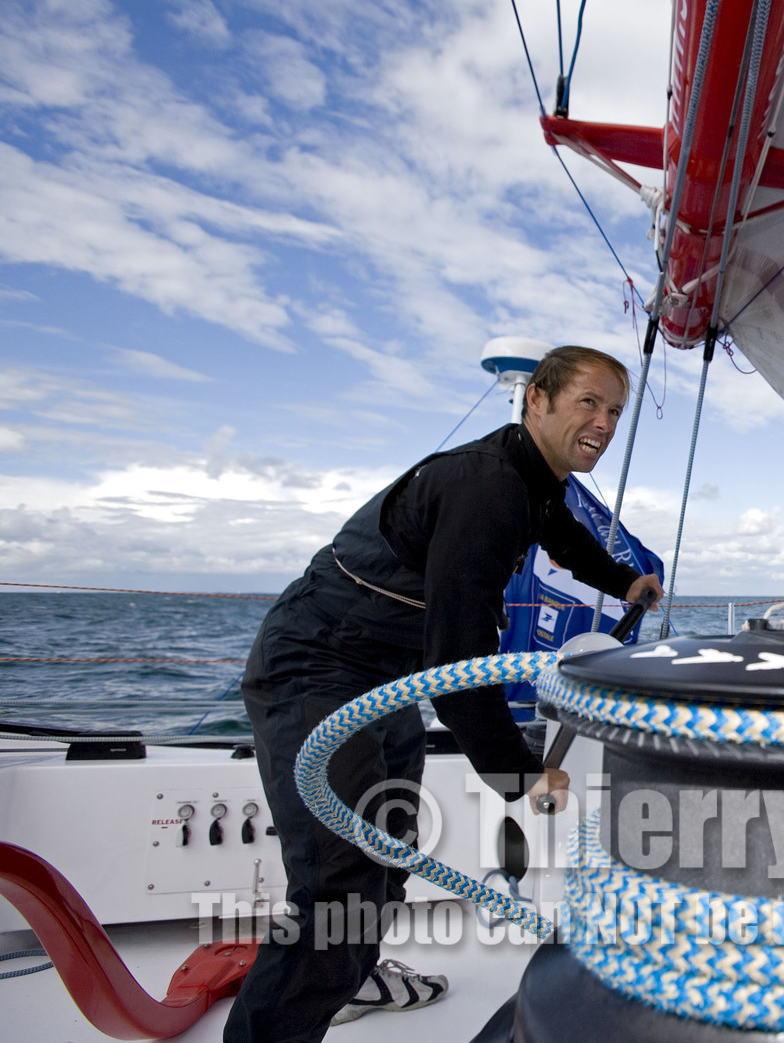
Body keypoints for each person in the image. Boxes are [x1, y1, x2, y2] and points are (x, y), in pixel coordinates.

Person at [224, 346, 661, 1043]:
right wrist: (519, 777)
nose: (604, 423)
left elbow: (560, 534)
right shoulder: (487, 487)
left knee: (389, 841)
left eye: (614, 410)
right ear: (536, 401)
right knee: (338, 878)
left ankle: (352, 973)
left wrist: (620, 581)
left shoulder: (533, 477)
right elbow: (458, 661)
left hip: (385, 668)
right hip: (317, 662)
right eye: (588, 403)